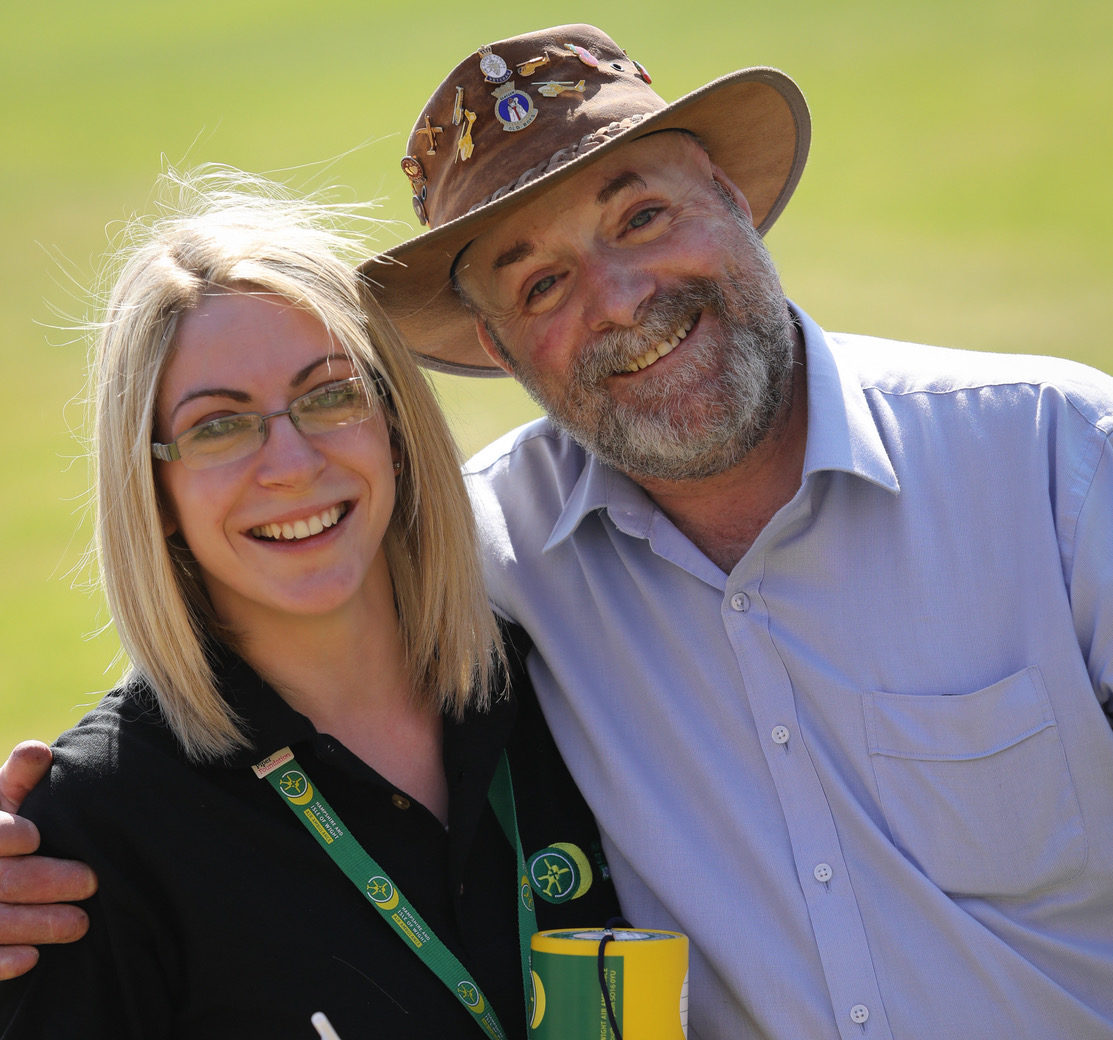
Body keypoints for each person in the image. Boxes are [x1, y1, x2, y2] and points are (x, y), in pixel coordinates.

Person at [2, 21, 1112, 1039]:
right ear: (491, 342)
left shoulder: (1062, 465)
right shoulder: (497, 562)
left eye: (642, 215)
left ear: (728, 192)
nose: (621, 297)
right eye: (542, 283)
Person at [0, 167, 617, 1039]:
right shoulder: (92, 831)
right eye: (219, 424)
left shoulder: (570, 675)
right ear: (154, 492)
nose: (290, 463)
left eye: (330, 396)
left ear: (396, 429)